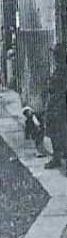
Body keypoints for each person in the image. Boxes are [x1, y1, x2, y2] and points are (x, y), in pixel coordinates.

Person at [44, 42, 66, 171]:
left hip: (59, 105)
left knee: (58, 132)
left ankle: (57, 157)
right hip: (58, 104)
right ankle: (59, 156)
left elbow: (55, 87)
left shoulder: (61, 69)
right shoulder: (60, 68)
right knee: (58, 131)